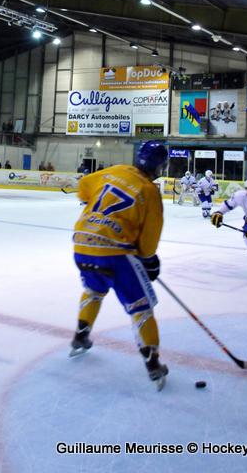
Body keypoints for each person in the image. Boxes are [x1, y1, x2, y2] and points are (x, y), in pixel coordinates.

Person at [70, 141, 169, 389]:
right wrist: (149, 259)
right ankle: (153, 363)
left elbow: (83, 186)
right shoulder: (149, 191)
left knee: (94, 290)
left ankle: (80, 336)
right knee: (140, 307)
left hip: (82, 244)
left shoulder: (115, 170)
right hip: (115, 253)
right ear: (160, 166)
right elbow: (148, 242)